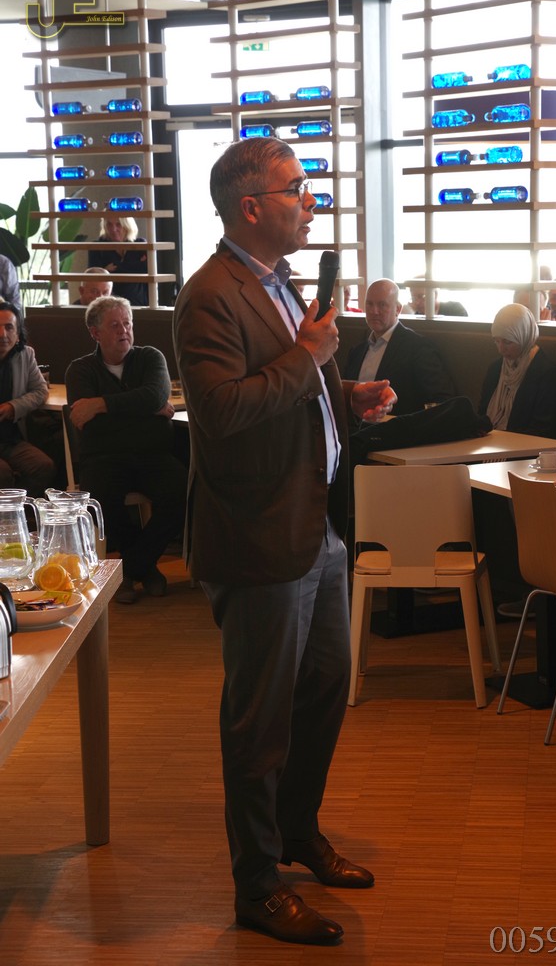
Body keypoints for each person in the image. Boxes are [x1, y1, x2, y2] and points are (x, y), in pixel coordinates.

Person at [172, 136, 395, 947]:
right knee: (259, 721)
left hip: (315, 524)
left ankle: (297, 831)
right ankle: (257, 887)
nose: (310, 201)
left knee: (323, 689)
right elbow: (222, 413)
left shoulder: (277, 279)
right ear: (250, 207)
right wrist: (308, 357)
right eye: (296, 188)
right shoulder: (208, 296)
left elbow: (294, 378)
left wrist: (345, 392)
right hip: (258, 533)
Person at [65, 296, 187, 605]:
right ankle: (146, 569)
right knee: (100, 500)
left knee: (184, 492)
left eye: (128, 323)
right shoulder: (80, 369)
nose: (124, 330)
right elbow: (89, 425)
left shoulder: (150, 357)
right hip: (103, 458)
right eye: (115, 325)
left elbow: (155, 394)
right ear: (95, 333)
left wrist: (101, 404)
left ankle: (129, 570)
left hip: (152, 455)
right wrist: (146, 410)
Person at [344, 278, 457, 416]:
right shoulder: (356, 352)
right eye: (369, 304)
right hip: (353, 427)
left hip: (397, 427)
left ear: (398, 309)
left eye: (382, 305)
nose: (374, 311)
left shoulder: (419, 348)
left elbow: (443, 400)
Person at [478, 303, 556, 438]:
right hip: (489, 442)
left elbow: (543, 429)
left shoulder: (546, 373)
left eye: (507, 342)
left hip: (524, 445)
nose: (501, 349)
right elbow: (482, 415)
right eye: (496, 341)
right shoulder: (495, 368)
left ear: (524, 336)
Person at [0, 301, 55, 494]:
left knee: (43, 467)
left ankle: (21, 510)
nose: (2, 334)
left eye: (9, 327)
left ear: (18, 334)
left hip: (10, 440)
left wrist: (14, 407)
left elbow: (40, 390)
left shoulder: (25, 354)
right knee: (3, 474)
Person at [87, 214, 149, 306]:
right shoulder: (98, 246)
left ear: (127, 225)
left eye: (118, 224)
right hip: (109, 306)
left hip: (140, 305)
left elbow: (147, 270)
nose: (113, 229)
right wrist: (135, 266)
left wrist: (112, 268)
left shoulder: (140, 244)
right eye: (109, 224)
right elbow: (93, 278)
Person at [401, 285, 467, 317]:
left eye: (421, 296)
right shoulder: (414, 314)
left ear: (435, 294)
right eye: (413, 298)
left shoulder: (455, 309)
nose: (417, 302)